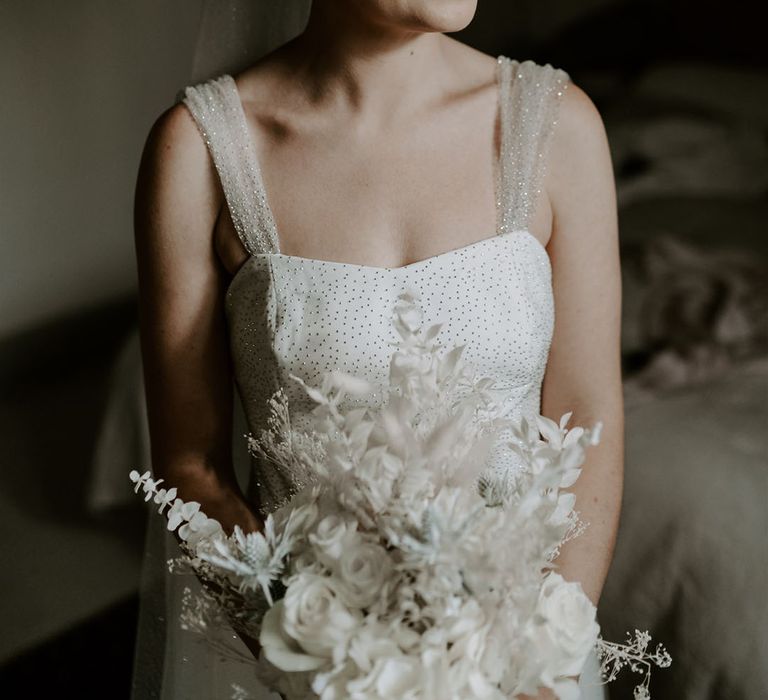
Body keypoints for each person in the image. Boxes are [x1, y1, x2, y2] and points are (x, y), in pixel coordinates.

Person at [132, 1, 622, 697]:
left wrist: (532, 662)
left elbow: (587, 415)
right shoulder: (200, 150)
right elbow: (192, 461)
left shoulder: (557, 125)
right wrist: (324, 659)